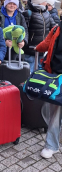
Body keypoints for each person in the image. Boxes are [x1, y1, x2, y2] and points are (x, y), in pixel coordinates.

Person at [35, 23, 62, 159]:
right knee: (55, 113)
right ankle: (51, 145)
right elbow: (46, 43)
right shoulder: (57, 28)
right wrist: (36, 48)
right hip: (56, 77)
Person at [23, 0, 56, 72]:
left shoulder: (46, 12)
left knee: (40, 74)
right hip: (30, 50)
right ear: (40, 2)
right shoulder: (28, 13)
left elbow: (54, 27)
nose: (46, 3)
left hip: (43, 50)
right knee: (29, 74)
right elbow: (24, 30)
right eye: (45, 1)